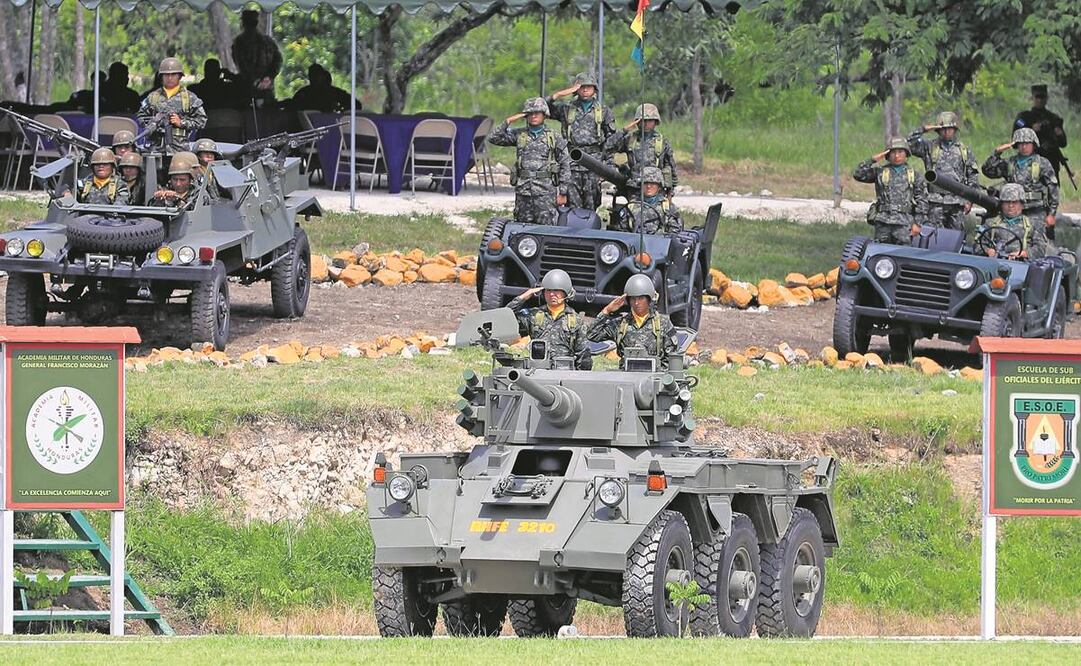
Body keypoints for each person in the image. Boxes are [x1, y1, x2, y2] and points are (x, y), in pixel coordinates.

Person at [488, 97, 571, 225]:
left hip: (545, 192)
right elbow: (493, 138)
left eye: (537, 113)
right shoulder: (519, 135)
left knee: (545, 230)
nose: (533, 116)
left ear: (544, 115)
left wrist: (563, 192)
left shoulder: (554, 137)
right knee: (521, 228)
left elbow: (565, 163)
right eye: (530, 113)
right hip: (523, 191)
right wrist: (508, 121)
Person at [545, 71, 615, 210]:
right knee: (572, 205)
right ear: (576, 89)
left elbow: (611, 141)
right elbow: (541, 108)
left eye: (589, 86)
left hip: (593, 163)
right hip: (571, 162)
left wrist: (607, 167)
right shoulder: (566, 109)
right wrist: (558, 95)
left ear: (594, 89)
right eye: (581, 86)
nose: (585, 89)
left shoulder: (604, 112)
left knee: (591, 205)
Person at [981, 127, 1059, 247]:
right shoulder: (1010, 163)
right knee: (1010, 239)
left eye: (1027, 143)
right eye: (1021, 143)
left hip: (1034, 209)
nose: (1024, 147)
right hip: (1012, 209)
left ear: (1033, 144)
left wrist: (1051, 214)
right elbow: (988, 171)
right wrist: (997, 153)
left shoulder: (1042, 163)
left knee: (1038, 242)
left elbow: (1053, 188)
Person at [505, 269, 591, 370]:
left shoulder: (576, 320)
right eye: (548, 290)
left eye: (556, 291)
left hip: (564, 372)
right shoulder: (534, 316)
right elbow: (506, 316)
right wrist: (523, 297)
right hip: (537, 370)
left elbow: (583, 354)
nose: (551, 294)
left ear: (565, 293)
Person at [588, 274, 678, 370]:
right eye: (633, 299)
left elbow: (672, 357)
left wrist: (660, 376)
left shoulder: (663, 323)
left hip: (653, 377)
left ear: (649, 299)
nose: (636, 303)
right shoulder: (621, 324)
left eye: (641, 298)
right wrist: (607, 310)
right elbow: (592, 335)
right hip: (626, 378)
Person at [907, 111, 979, 230]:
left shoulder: (964, 151)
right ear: (938, 130)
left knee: (955, 238)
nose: (946, 132)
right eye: (943, 129)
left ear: (955, 129)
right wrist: (922, 130)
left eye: (949, 128)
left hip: (956, 203)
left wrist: (969, 200)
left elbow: (973, 177)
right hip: (934, 201)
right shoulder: (929, 147)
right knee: (933, 238)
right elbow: (907, 144)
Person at [853, 137, 929, 245]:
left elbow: (922, 200)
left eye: (900, 152)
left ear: (906, 154)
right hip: (883, 222)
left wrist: (917, 223)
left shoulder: (914, 176)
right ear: (888, 155)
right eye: (893, 152)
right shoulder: (880, 172)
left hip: (904, 223)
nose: (897, 156)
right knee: (880, 254)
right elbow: (858, 174)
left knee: (903, 255)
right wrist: (872, 160)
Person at [604, 103, 677, 195]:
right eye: (643, 121)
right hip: (634, 187)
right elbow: (608, 146)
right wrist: (625, 130)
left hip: (655, 187)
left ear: (655, 122)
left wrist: (671, 187)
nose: (646, 124)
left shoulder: (662, 142)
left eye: (650, 120)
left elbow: (670, 165)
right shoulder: (630, 139)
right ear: (637, 122)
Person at [137, 57, 207, 154]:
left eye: (173, 74)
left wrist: (181, 123)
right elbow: (141, 116)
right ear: (161, 76)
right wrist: (153, 122)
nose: (170, 78)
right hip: (156, 149)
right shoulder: (153, 97)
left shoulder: (189, 98)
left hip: (180, 149)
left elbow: (201, 121)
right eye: (166, 75)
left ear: (180, 76)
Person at [1013, 84, 1068, 181]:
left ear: (1046, 98)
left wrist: (1059, 134)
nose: (1040, 100)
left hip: (1051, 162)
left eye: (1042, 97)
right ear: (1032, 98)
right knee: (1035, 189)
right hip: (1033, 161)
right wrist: (1030, 129)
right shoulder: (1024, 117)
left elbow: (1063, 143)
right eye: (1037, 97)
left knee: (1052, 191)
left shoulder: (1054, 119)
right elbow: (1017, 127)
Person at [983, 183, 1047, 261]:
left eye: (1015, 202)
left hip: (1022, 266)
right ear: (1001, 204)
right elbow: (977, 245)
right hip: (994, 263)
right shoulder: (990, 223)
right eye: (1007, 202)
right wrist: (988, 251)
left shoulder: (1033, 224)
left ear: (1022, 204)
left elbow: (1041, 249)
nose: (1011, 206)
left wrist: (1024, 253)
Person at [231, 9, 282, 97]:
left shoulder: (239, 42)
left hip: (247, 91)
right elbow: (278, 61)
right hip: (266, 89)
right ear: (256, 23)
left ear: (243, 23)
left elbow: (241, 66)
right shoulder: (268, 41)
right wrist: (268, 78)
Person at [617, 167, 683, 233]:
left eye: (653, 183)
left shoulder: (667, 208)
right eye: (645, 183)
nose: (649, 186)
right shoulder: (631, 206)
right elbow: (622, 231)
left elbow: (674, 232)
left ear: (659, 186)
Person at [193, 138, 224, 202]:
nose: (209, 155)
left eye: (212, 153)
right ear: (198, 155)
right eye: (206, 152)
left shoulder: (217, 171)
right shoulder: (194, 172)